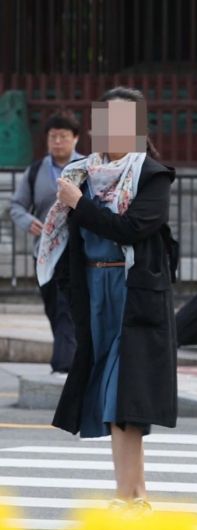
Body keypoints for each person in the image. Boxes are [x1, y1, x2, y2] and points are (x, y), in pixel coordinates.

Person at [37, 86, 178, 510]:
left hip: (132, 295)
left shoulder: (152, 175)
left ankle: (130, 496)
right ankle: (134, 495)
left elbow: (132, 228)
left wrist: (79, 205)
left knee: (123, 395)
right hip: (93, 292)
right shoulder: (83, 173)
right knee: (109, 397)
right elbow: (68, 234)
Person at [10, 112, 84, 376]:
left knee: (68, 307)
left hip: (77, 250)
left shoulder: (88, 168)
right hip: (44, 251)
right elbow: (17, 205)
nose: (58, 142)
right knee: (54, 306)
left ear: (75, 138)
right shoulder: (35, 171)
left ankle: (65, 365)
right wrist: (27, 221)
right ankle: (68, 356)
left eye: (64, 137)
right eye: (53, 137)